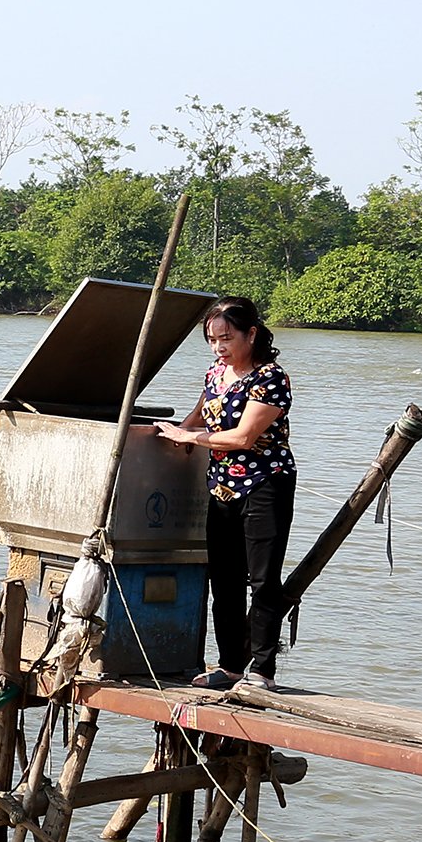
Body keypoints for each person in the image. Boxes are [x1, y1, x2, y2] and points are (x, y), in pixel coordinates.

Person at [152, 296, 294, 696]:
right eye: (212, 339)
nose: (219, 347)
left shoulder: (270, 377)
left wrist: (190, 438)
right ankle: (231, 665)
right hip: (222, 486)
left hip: (266, 484)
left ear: (251, 333)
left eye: (227, 338)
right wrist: (176, 433)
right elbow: (203, 409)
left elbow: (243, 437)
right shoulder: (216, 373)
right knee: (224, 579)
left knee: (263, 579)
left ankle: (263, 670)